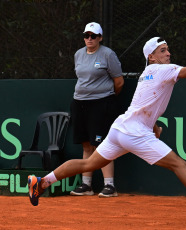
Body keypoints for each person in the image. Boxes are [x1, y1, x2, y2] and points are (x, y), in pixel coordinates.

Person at [28, 37, 186, 219]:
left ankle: (43, 181)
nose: (168, 53)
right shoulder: (163, 70)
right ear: (152, 57)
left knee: (89, 163)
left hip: (120, 129)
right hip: (134, 132)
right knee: (179, 164)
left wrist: (154, 125)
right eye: (163, 50)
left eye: (168, 49)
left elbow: (144, 105)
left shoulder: (146, 74)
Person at [69, 22, 124, 198]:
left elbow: (119, 81)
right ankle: (86, 186)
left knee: (101, 144)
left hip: (101, 104)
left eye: (93, 36)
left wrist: (107, 98)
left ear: (100, 38)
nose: (89, 39)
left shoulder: (108, 54)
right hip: (79, 103)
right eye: (87, 36)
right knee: (86, 144)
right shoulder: (78, 54)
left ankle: (110, 186)